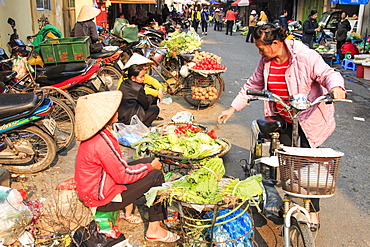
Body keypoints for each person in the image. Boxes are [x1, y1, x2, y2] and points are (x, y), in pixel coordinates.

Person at [217, 23, 346, 232]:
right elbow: (253, 85)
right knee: (285, 164)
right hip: (282, 118)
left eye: (261, 48)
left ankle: (313, 211)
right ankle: (280, 199)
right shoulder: (266, 61)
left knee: (307, 169)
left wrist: (337, 88)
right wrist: (232, 109)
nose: (259, 52)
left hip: (307, 119)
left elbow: (328, 73)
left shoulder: (306, 56)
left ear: (276, 43)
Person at [74, 91, 180, 243]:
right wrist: (150, 167)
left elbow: (118, 167)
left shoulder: (98, 135)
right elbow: (124, 175)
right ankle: (154, 230)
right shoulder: (101, 141)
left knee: (148, 161)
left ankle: (135, 214)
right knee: (156, 174)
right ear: (105, 117)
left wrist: (148, 164)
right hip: (102, 199)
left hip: (99, 187)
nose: (117, 112)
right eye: (113, 111)